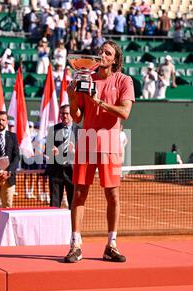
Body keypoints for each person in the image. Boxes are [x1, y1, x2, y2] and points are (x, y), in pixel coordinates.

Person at [65, 40, 135, 263]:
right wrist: (72, 97)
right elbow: (77, 117)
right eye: (100, 52)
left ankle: (111, 245)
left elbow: (125, 113)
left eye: (107, 53)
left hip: (110, 143)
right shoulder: (86, 78)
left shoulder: (124, 80)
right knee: (78, 193)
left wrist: (100, 101)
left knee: (112, 195)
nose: (102, 55)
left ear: (115, 59)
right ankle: (75, 244)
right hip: (86, 140)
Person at [45, 105, 78, 209]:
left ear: (72, 115)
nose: (65, 116)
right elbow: (47, 149)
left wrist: (74, 151)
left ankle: (72, 225)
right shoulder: (53, 129)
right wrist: (51, 150)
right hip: (56, 171)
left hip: (72, 172)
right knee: (54, 204)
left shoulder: (80, 130)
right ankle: (53, 225)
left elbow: (85, 154)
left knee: (73, 202)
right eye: (62, 113)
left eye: (67, 113)